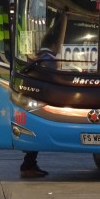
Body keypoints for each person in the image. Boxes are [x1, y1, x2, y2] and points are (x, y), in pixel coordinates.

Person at [20, 30, 60, 178]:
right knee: (36, 133)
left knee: (33, 132)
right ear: (54, 44)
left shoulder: (37, 57)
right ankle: (28, 166)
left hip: (32, 99)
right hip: (43, 99)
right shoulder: (49, 59)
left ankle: (29, 164)